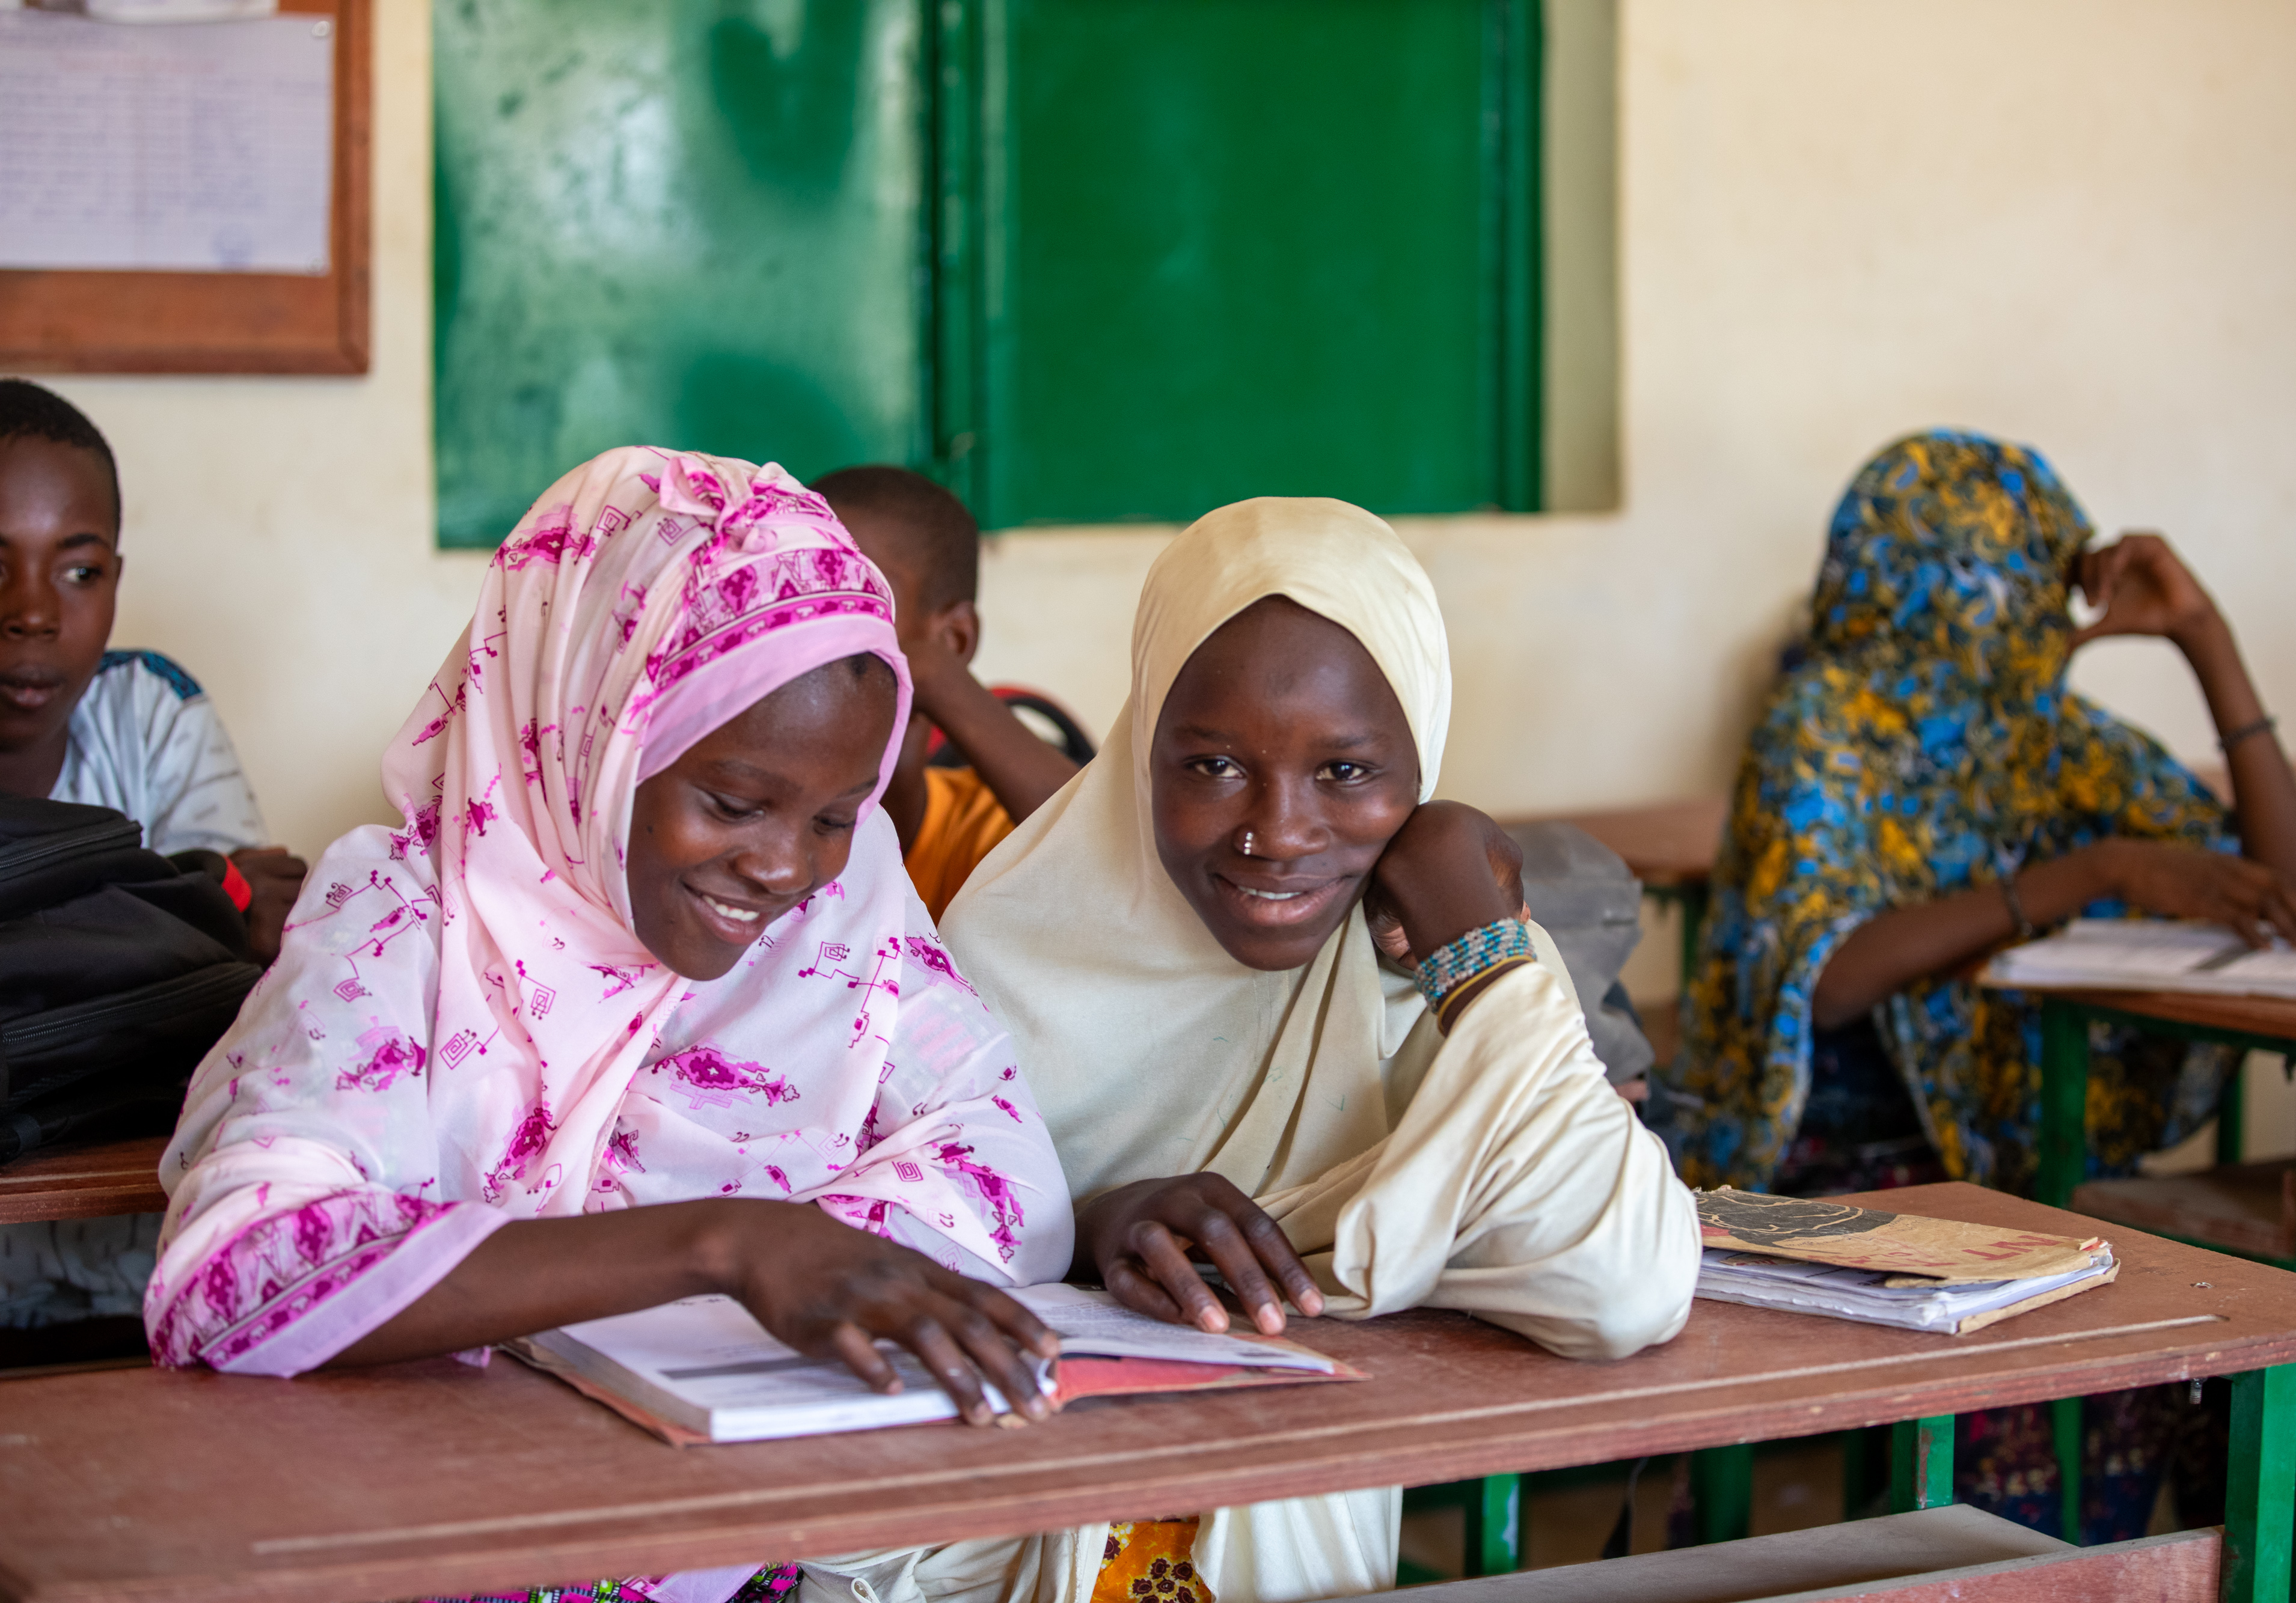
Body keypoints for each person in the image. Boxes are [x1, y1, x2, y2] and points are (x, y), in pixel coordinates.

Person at [144, 450, 1073, 1603]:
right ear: (588, 737)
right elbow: (233, 1275)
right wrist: (726, 1247)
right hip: (441, 1538)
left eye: (837, 812)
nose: (784, 865)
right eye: (731, 803)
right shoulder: (405, 927)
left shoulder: (843, 908)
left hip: (744, 1538)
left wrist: (760, 1259)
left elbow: (1006, 1177)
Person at [941, 497, 1699, 1603]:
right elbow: (910, 1263)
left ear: (1422, 754)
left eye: (1346, 772)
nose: (1278, 832)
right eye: (1210, 766)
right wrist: (1083, 1226)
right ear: (1142, 738)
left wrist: (1479, 943)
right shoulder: (1002, 952)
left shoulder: (1436, 953)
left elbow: (1621, 1283)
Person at [1664, 430, 2296, 1201]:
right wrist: (2094, 872)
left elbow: (2293, 908)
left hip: (2022, 1163)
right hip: (1834, 1171)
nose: (2039, 601)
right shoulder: (1822, 726)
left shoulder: (2053, 739)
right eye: (2020, 571)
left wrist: (2205, 638)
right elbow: (1826, 981)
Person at [0, 377, 304, 1350]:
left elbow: (241, 977)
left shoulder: (154, 709)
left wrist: (209, 919)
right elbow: (216, 918)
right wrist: (190, 900)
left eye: (78, 572)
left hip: (137, 1276)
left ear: (118, 578)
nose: (33, 613)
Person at [810, 465, 1079, 918]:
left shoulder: (981, 828)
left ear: (953, 639)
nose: (807, 622)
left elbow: (1113, 868)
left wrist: (935, 672)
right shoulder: (751, 808)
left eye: (850, 596)